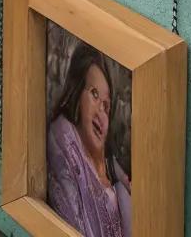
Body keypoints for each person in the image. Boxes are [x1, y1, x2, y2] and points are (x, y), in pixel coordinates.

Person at [48, 44, 131, 237]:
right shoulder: (63, 137)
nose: (101, 114)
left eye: (106, 105)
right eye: (94, 94)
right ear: (76, 93)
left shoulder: (110, 170)